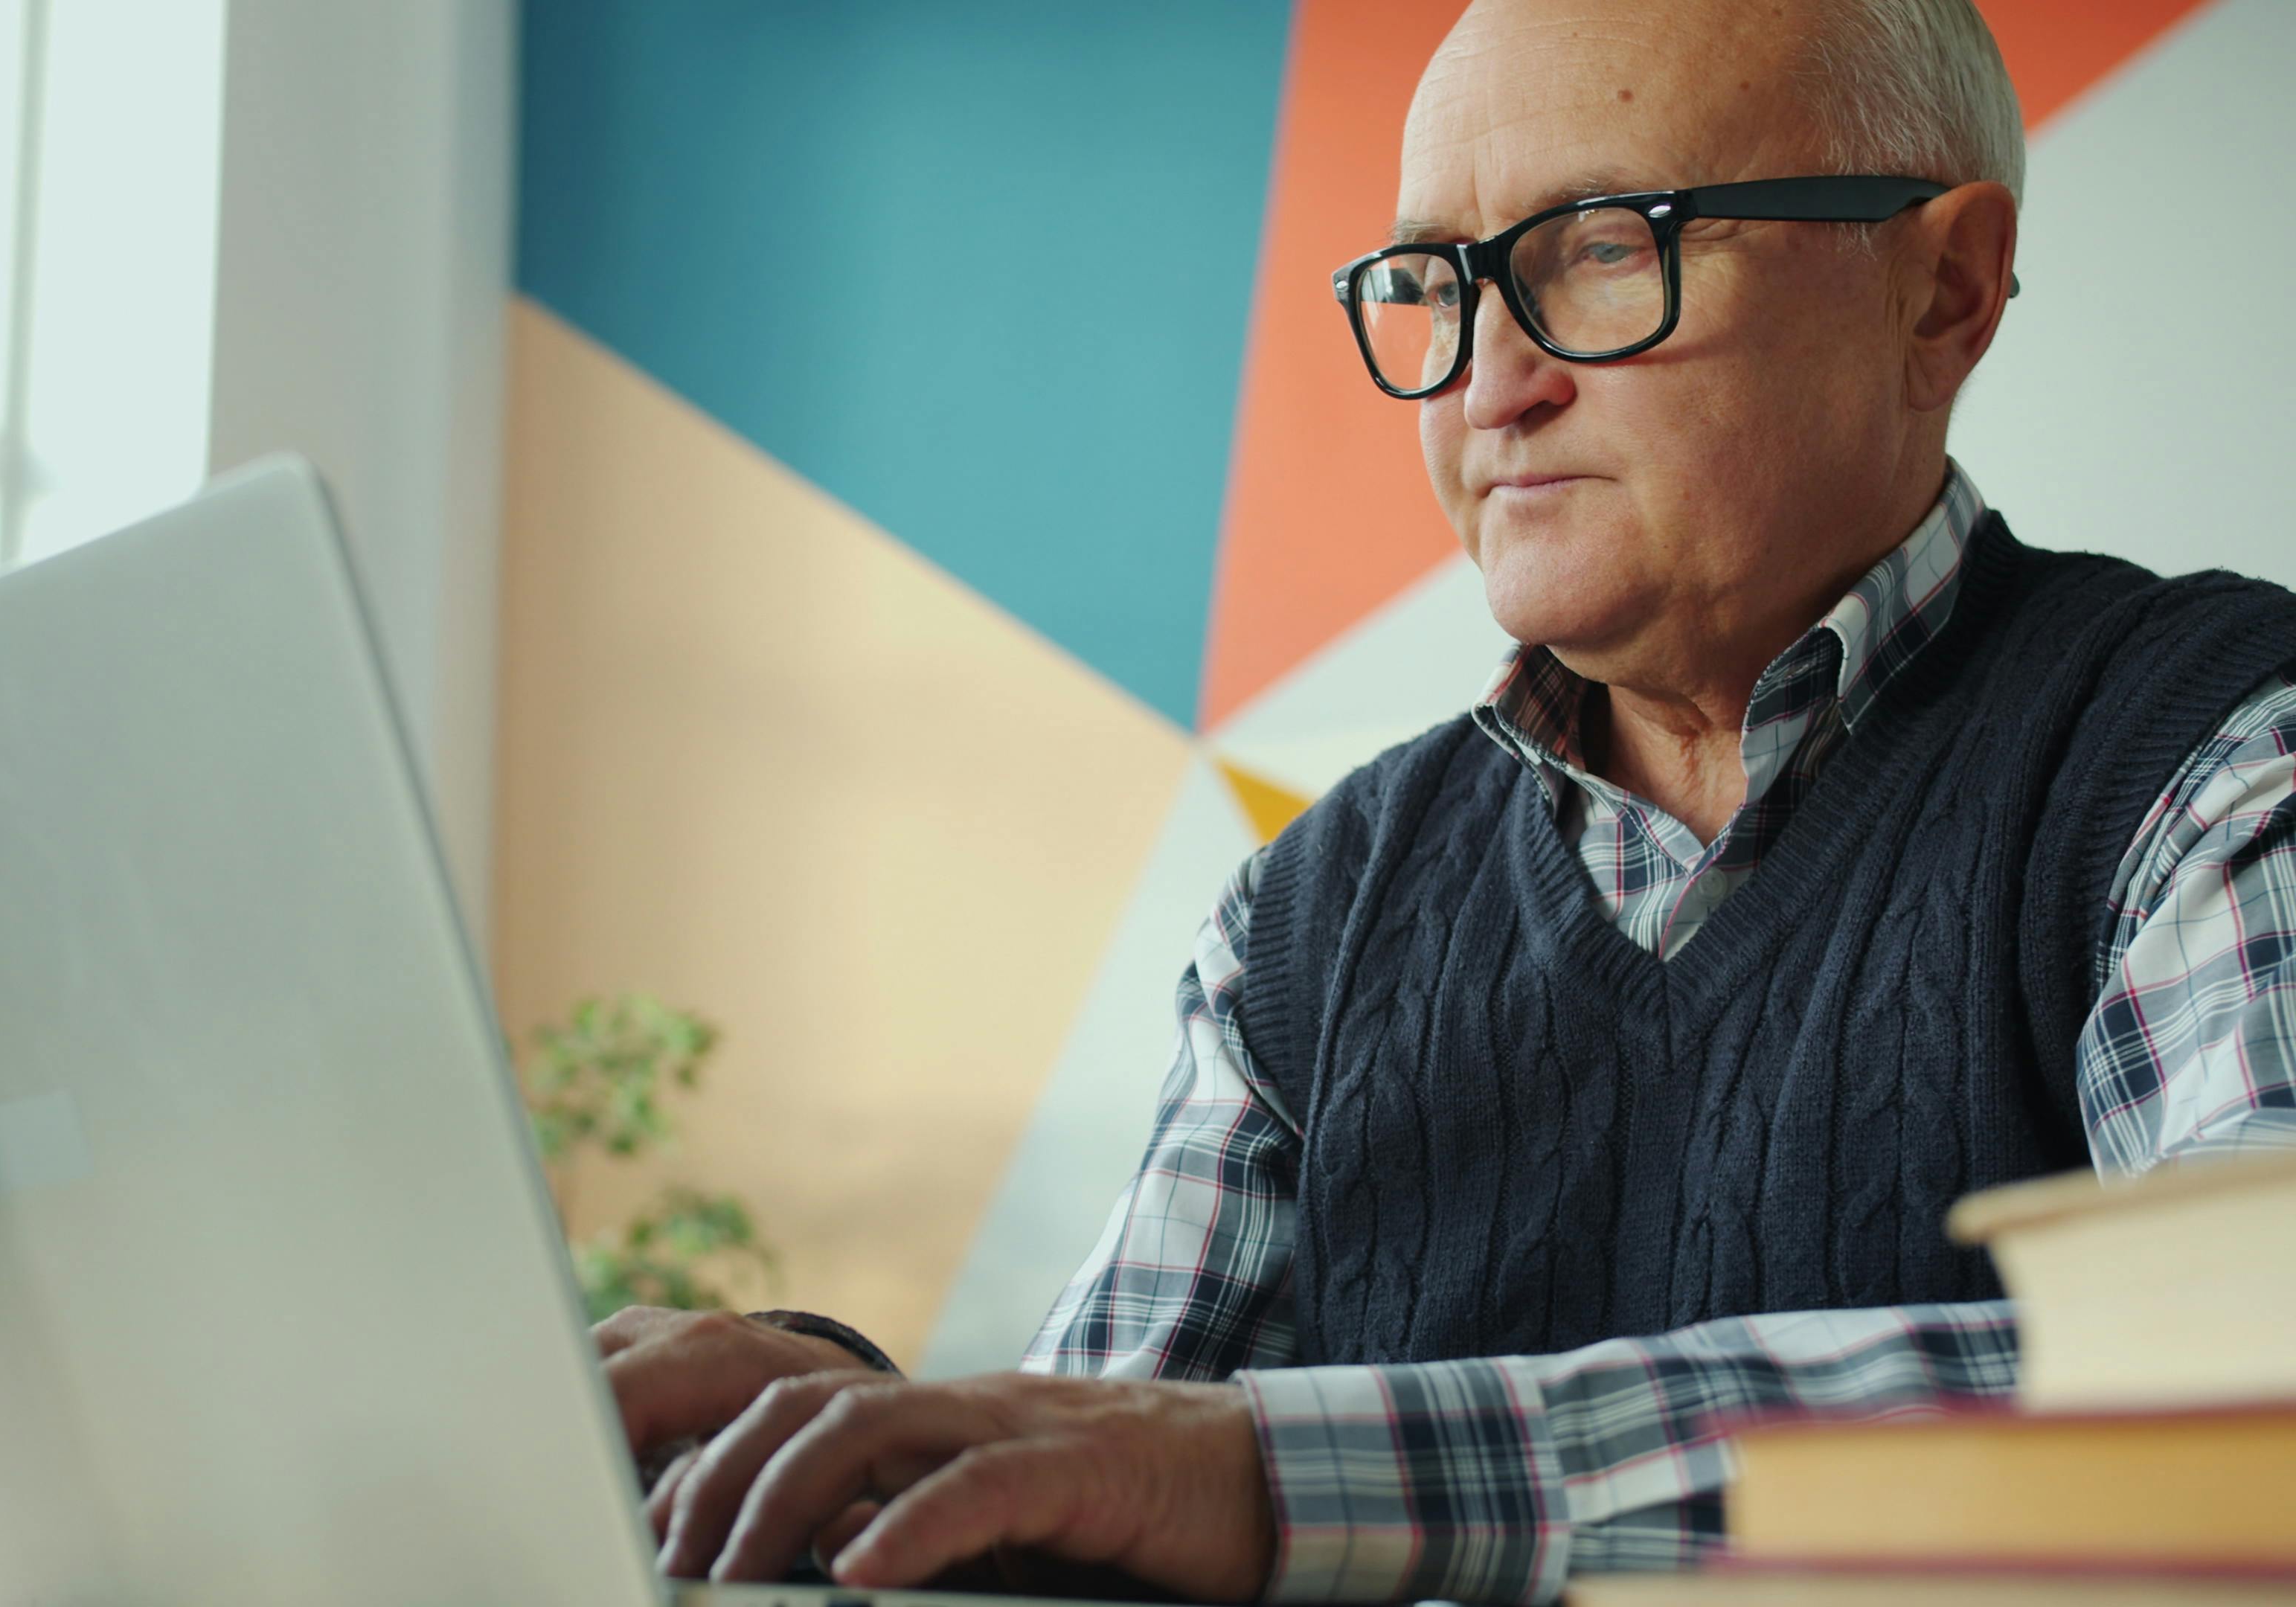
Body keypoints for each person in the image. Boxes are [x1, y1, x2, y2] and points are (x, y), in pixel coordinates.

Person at [596, 0, 2296, 1600]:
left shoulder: (2210, 746)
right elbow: (1120, 1471)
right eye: (1437, 281)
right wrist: (836, 1443)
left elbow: (2241, 1391)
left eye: (1607, 248)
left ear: (1943, 293)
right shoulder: (1312, 915)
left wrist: (1292, 1480)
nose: (1491, 382)